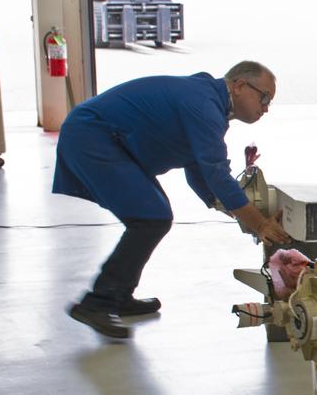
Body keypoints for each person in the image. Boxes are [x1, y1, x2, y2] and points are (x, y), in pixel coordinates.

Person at [53, 61, 292, 339]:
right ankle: (98, 302)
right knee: (151, 217)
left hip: (106, 140)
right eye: (264, 98)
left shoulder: (209, 101)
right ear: (239, 86)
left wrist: (236, 210)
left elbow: (198, 170)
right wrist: (260, 223)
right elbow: (215, 173)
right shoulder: (204, 106)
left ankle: (117, 296)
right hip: (92, 136)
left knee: (154, 217)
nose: (265, 108)